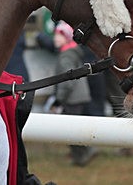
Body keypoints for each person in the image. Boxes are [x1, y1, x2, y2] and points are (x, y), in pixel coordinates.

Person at [51, 22, 96, 166]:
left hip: (72, 98)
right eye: (55, 35)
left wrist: (59, 99)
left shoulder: (66, 56)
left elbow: (67, 81)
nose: (55, 38)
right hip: (79, 96)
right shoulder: (72, 51)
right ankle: (83, 154)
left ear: (67, 37)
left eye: (59, 35)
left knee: (70, 130)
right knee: (75, 128)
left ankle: (81, 156)